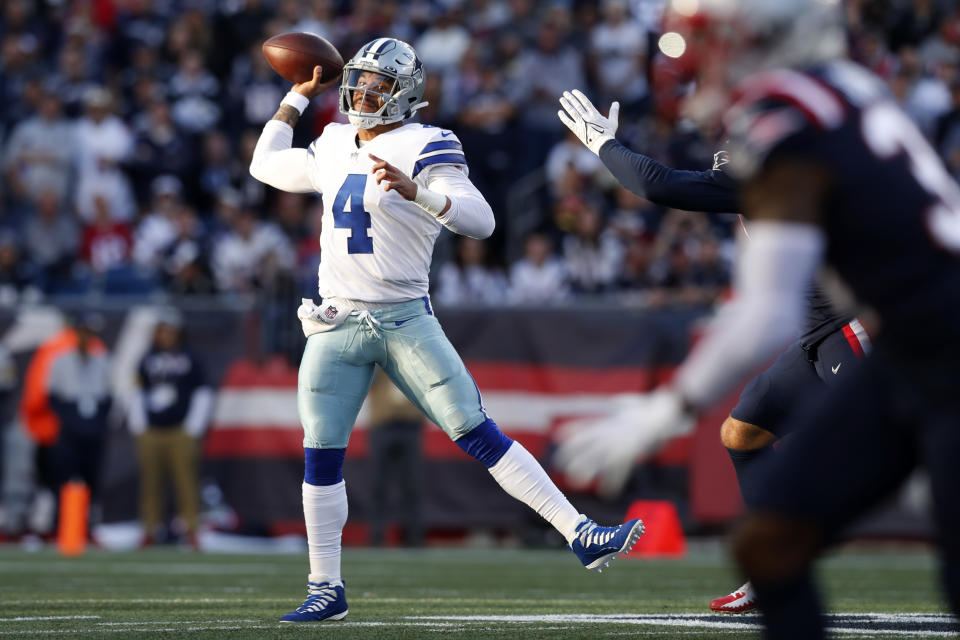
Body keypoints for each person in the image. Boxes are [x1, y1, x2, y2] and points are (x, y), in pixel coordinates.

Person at [556, 1, 960, 637]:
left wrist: (666, 409)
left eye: (715, 43)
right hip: (879, 336)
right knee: (762, 519)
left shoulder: (783, 124)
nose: (700, 63)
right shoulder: (844, 90)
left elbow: (757, 302)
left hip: (898, 336)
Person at [249, 37, 644, 624]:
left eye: (375, 85)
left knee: (475, 430)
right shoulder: (334, 139)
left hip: (405, 315)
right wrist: (297, 96)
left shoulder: (428, 143)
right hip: (337, 320)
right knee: (321, 454)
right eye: (356, 81)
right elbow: (264, 165)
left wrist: (420, 192)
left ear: (405, 93)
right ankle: (324, 587)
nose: (360, 92)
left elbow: (482, 221)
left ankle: (581, 532)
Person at [556, 90, 869, 613]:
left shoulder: (785, 172)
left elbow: (656, 185)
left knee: (897, 452)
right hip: (817, 336)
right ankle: (775, 569)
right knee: (742, 434)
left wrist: (604, 145)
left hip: (859, 328)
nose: (730, 147)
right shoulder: (785, 173)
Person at [128, 310, 213, 548]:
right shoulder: (146, 358)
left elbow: (202, 392)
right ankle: (149, 529)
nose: (166, 335)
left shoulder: (191, 358)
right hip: (153, 430)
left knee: (186, 481)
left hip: (180, 430)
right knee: (150, 482)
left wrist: (193, 426)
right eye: (162, 330)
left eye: (170, 331)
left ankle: (191, 530)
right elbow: (137, 391)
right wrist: (140, 424)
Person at [365, 369, 424, 547]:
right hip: (382, 425)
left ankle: (414, 537)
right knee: (378, 485)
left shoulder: (415, 359)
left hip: (410, 425)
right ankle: (377, 536)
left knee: (412, 485)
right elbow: (366, 378)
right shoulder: (378, 358)